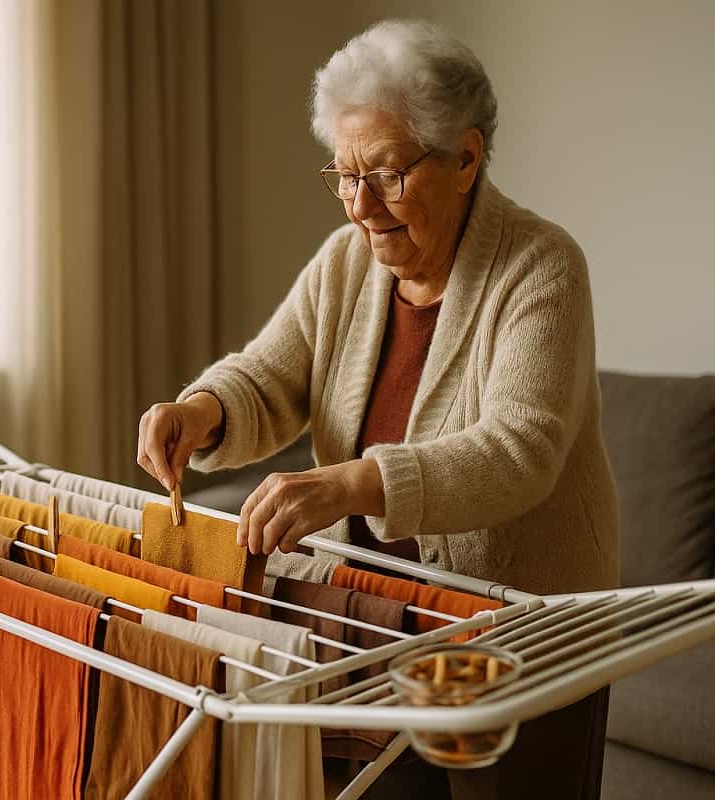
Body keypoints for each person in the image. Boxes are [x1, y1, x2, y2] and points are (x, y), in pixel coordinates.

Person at [137, 19, 618, 799]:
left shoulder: (541, 266)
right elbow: (269, 376)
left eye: (388, 175)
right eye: (344, 175)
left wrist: (349, 484)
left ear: (465, 159)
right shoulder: (345, 264)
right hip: (369, 626)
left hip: (522, 635)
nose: (360, 206)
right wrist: (199, 411)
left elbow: (517, 452)